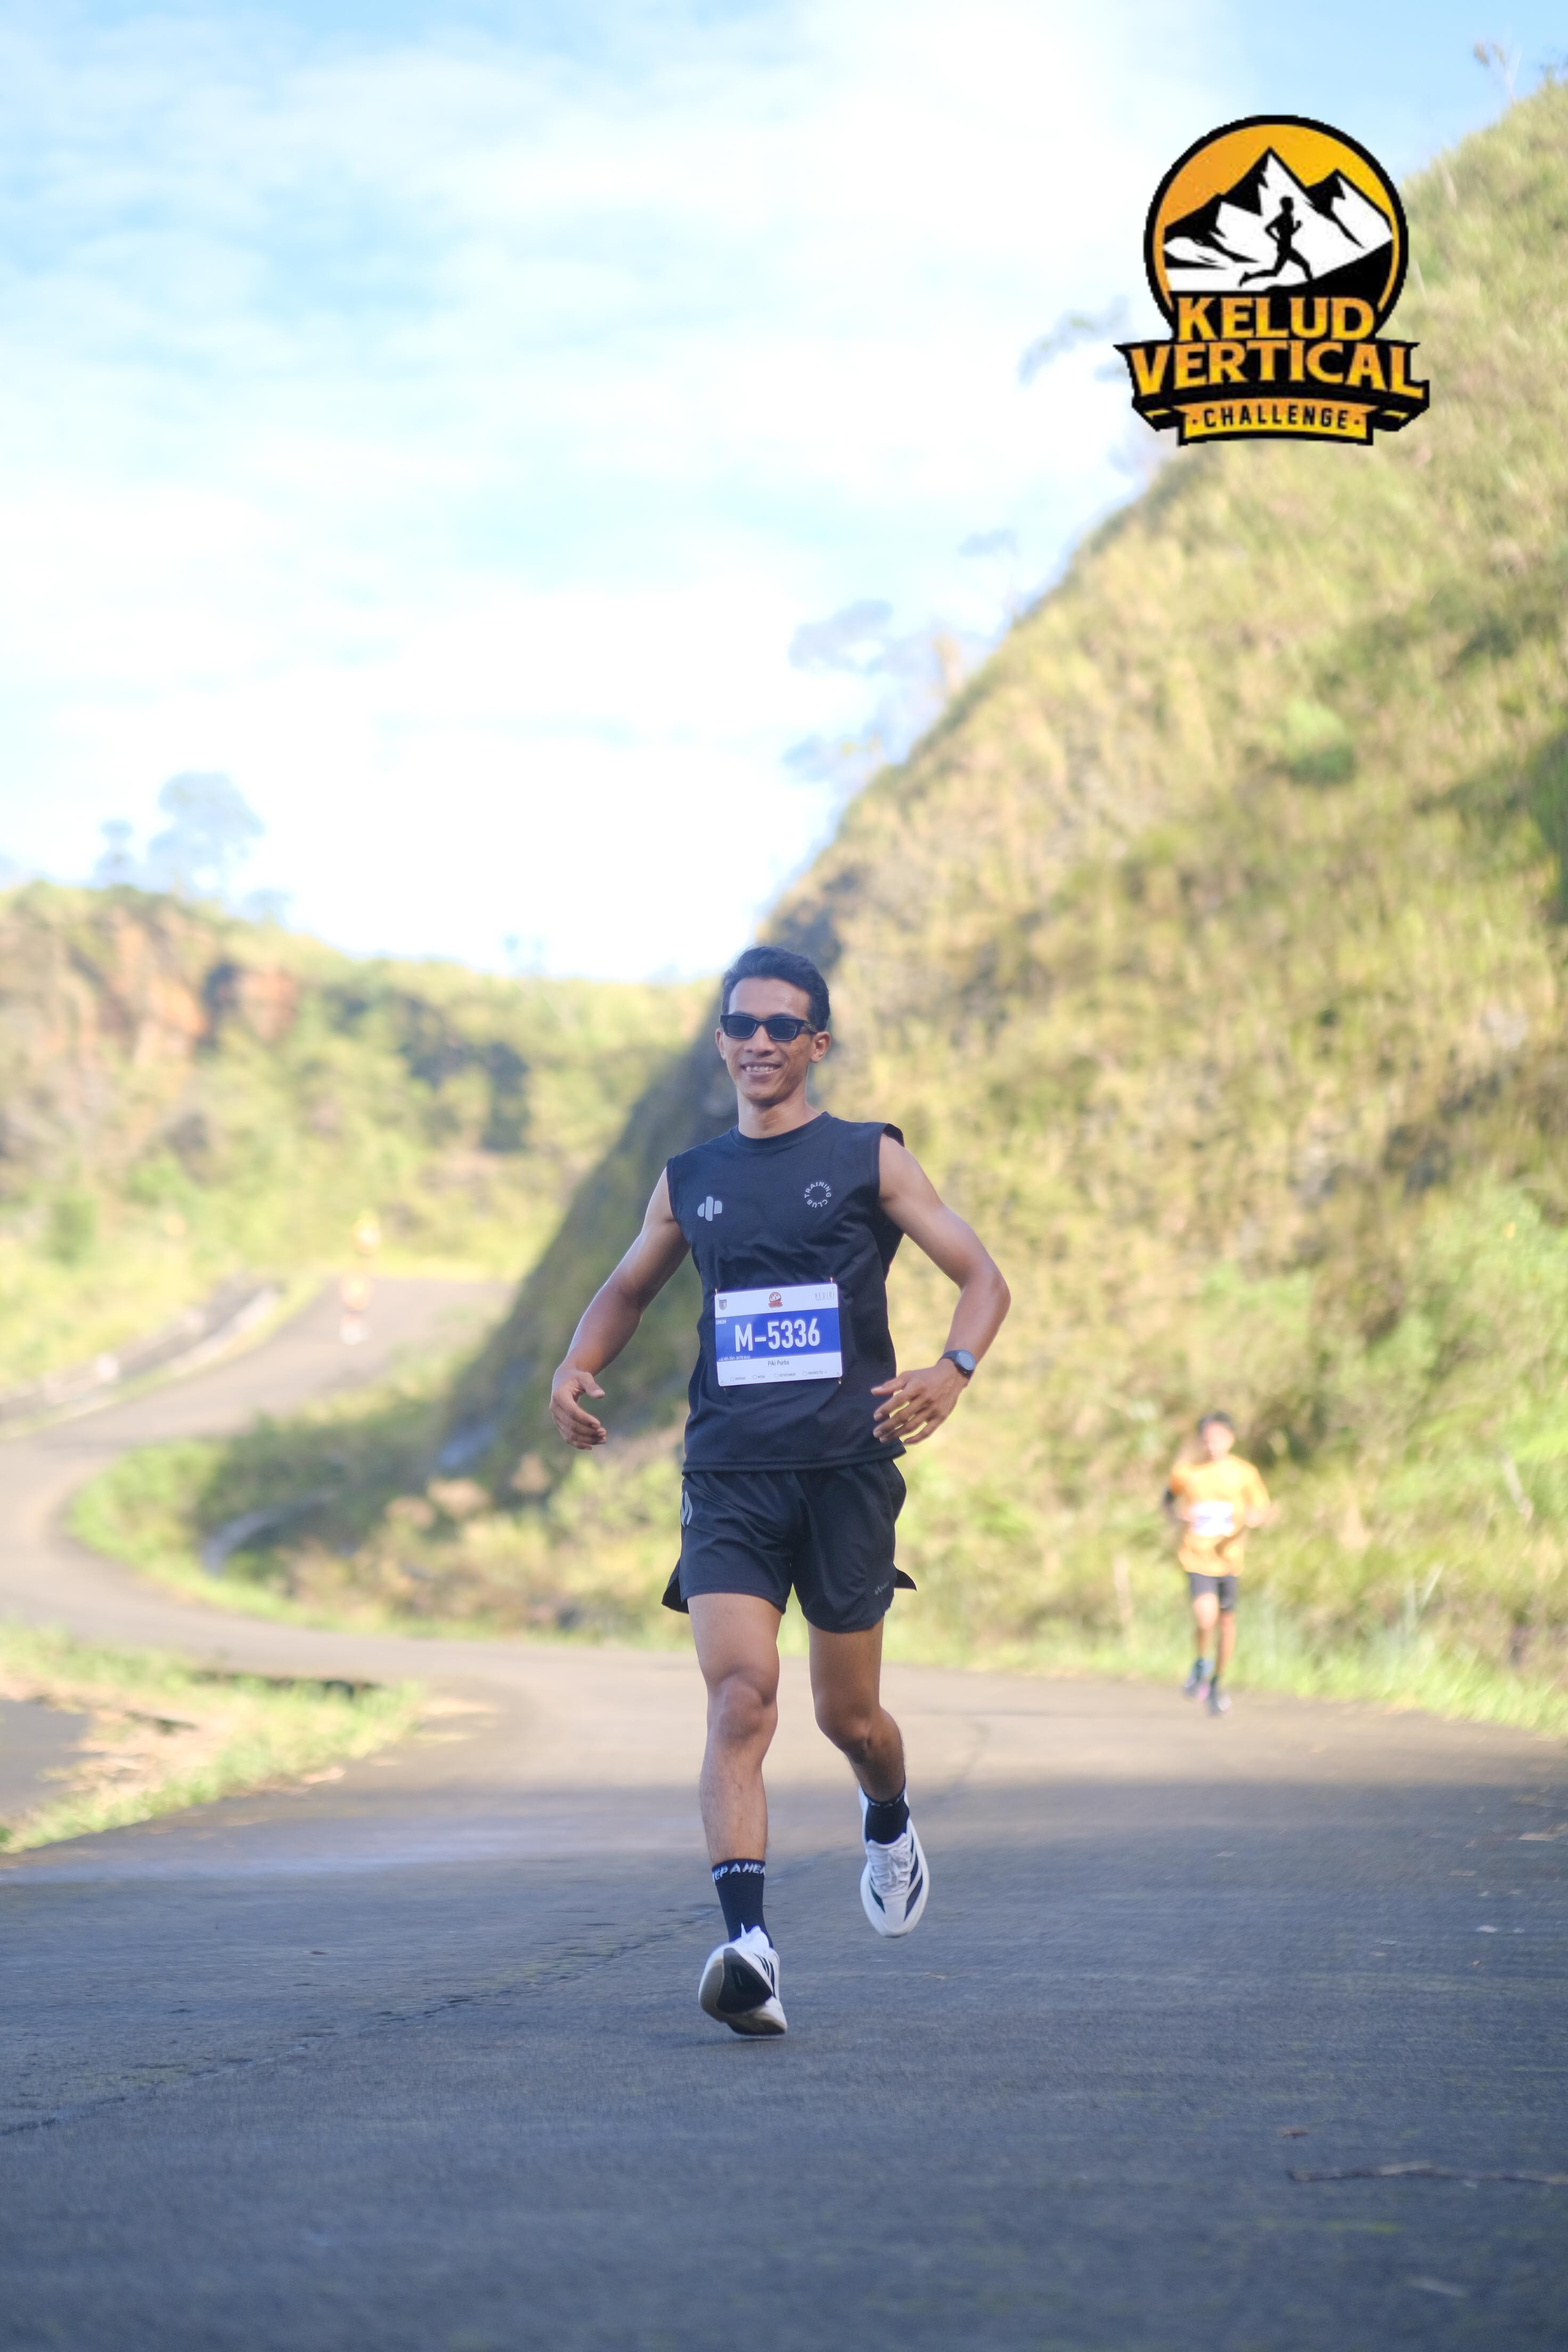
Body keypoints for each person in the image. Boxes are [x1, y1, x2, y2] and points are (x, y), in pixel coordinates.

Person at [549, 944, 1010, 2037]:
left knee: (846, 1717)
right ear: (720, 1040)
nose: (758, 1042)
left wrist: (952, 1370)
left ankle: (887, 1815)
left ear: (816, 1043)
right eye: (740, 1024)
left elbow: (981, 1277)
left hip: (846, 1472)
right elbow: (626, 1287)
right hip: (728, 1475)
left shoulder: (866, 1156)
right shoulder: (690, 1178)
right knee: (739, 1697)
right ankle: (747, 1947)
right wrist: (576, 1363)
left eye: (780, 1026)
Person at [1164, 1412, 1271, 1716]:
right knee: (1206, 1619)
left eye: (1219, 1439)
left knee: (1226, 1623)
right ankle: (1201, 1662)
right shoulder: (1186, 1472)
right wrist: (1178, 1517)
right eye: (1207, 1440)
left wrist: (1253, 1519)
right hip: (1196, 1556)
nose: (1212, 1446)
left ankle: (1217, 1682)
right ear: (1200, 1441)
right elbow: (1168, 1501)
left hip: (1229, 1560)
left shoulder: (1244, 1473)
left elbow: (1262, 1508)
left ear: (1231, 1439)